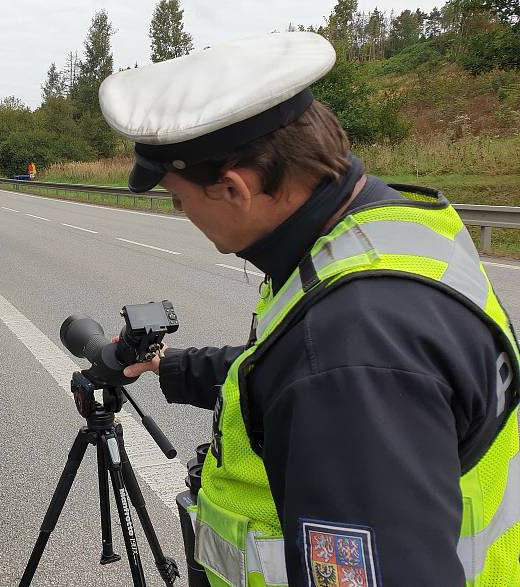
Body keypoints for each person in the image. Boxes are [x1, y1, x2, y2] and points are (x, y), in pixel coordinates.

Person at [98, 32, 520, 586]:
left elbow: (329, 370)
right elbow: (287, 365)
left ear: (233, 189)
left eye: (180, 200)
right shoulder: (382, 233)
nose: (184, 216)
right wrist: (173, 366)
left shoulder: (348, 353)